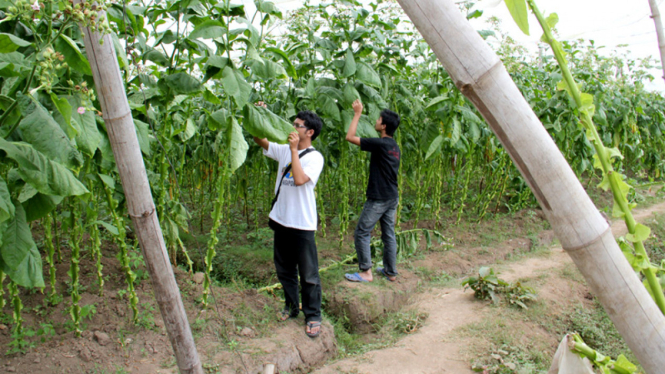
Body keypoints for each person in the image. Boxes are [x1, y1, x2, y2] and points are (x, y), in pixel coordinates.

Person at [253, 102, 325, 338]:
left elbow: (301, 179)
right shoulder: (284, 150)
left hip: (302, 224)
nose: (292, 127)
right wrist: (259, 115)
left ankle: (313, 315)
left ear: (309, 132)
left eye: (297, 125)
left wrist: (294, 151)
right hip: (281, 220)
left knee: (309, 274)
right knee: (284, 270)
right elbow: (259, 139)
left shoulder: (315, 157)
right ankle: (292, 307)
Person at [343, 99, 401, 283]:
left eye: (378, 120)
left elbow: (350, 137)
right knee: (388, 234)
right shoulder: (394, 147)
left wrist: (357, 114)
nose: (375, 121)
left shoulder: (380, 144)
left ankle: (366, 272)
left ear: (383, 126)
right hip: (392, 196)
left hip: (379, 197)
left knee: (362, 231)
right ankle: (390, 272)